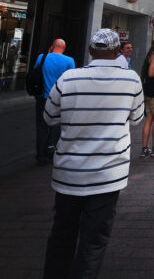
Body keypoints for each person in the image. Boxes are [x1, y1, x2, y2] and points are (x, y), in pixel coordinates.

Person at [42, 29, 144, 278]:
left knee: (61, 235)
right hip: (108, 173)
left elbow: (49, 117)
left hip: (69, 173)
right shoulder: (131, 80)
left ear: (90, 50)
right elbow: (137, 118)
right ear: (117, 51)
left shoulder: (68, 78)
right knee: (94, 240)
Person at [33, 38, 75, 165]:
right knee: (56, 124)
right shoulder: (69, 61)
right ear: (64, 48)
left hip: (43, 97)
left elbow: (36, 72)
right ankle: (52, 147)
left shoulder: (42, 57)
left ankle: (41, 155)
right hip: (59, 98)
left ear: (52, 46)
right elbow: (71, 79)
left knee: (41, 125)